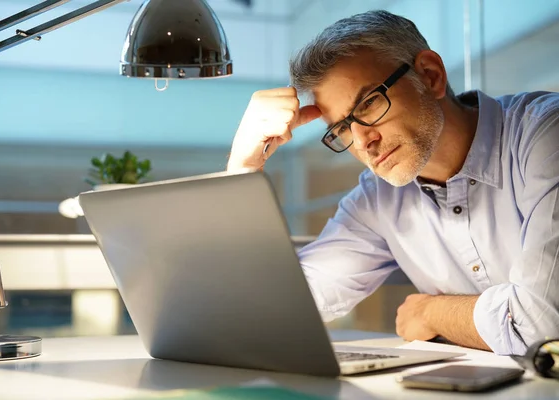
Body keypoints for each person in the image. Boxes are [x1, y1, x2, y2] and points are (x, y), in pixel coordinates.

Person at [226, 10, 559, 356]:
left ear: (430, 76)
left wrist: (431, 312)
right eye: (341, 128)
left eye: (368, 104)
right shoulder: (378, 201)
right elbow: (270, 311)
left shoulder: (545, 136)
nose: (361, 142)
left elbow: (544, 327)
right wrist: (243, 169)